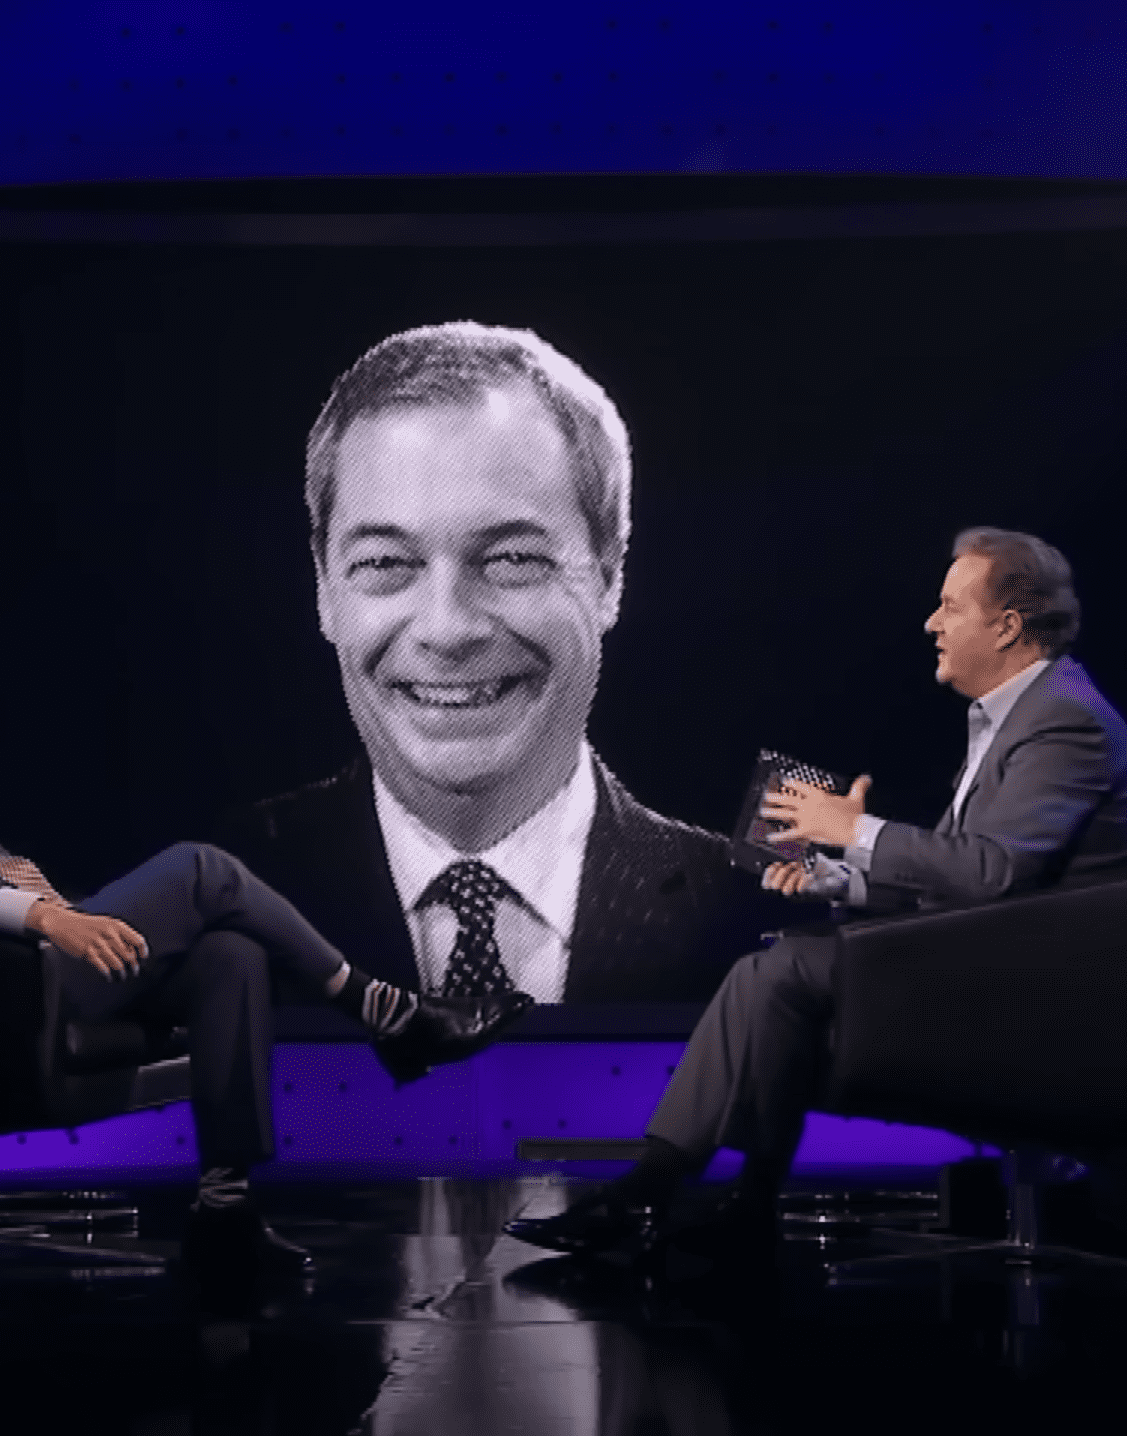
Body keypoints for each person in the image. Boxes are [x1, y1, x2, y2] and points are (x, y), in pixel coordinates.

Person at [0, 615, 533, 1276]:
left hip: (15, 975)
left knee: (231, 953)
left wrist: (63, 913)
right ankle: (391, 1013)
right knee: (202, 869)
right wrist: (50, 918)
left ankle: (224, 1212)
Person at [505, 527, 1127, 1258]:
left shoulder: (1063, 722)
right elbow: (966, 882)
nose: (931, 624)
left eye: (950, 606)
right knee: (775, 972)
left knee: (780, 973)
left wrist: (856, 828)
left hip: (1047, 1000)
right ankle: (728, 1200)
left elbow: (990, 874)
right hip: (999, 965)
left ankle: (664, 1192)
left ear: (1007, 627)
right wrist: (833, 876)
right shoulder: (1022, 719)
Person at [216, 321, 765, 1008]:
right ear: (325, 589)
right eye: (386, 562)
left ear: (608, 578)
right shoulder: (206, 910)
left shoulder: (759, 919)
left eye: (511, 559)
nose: (447, 629)